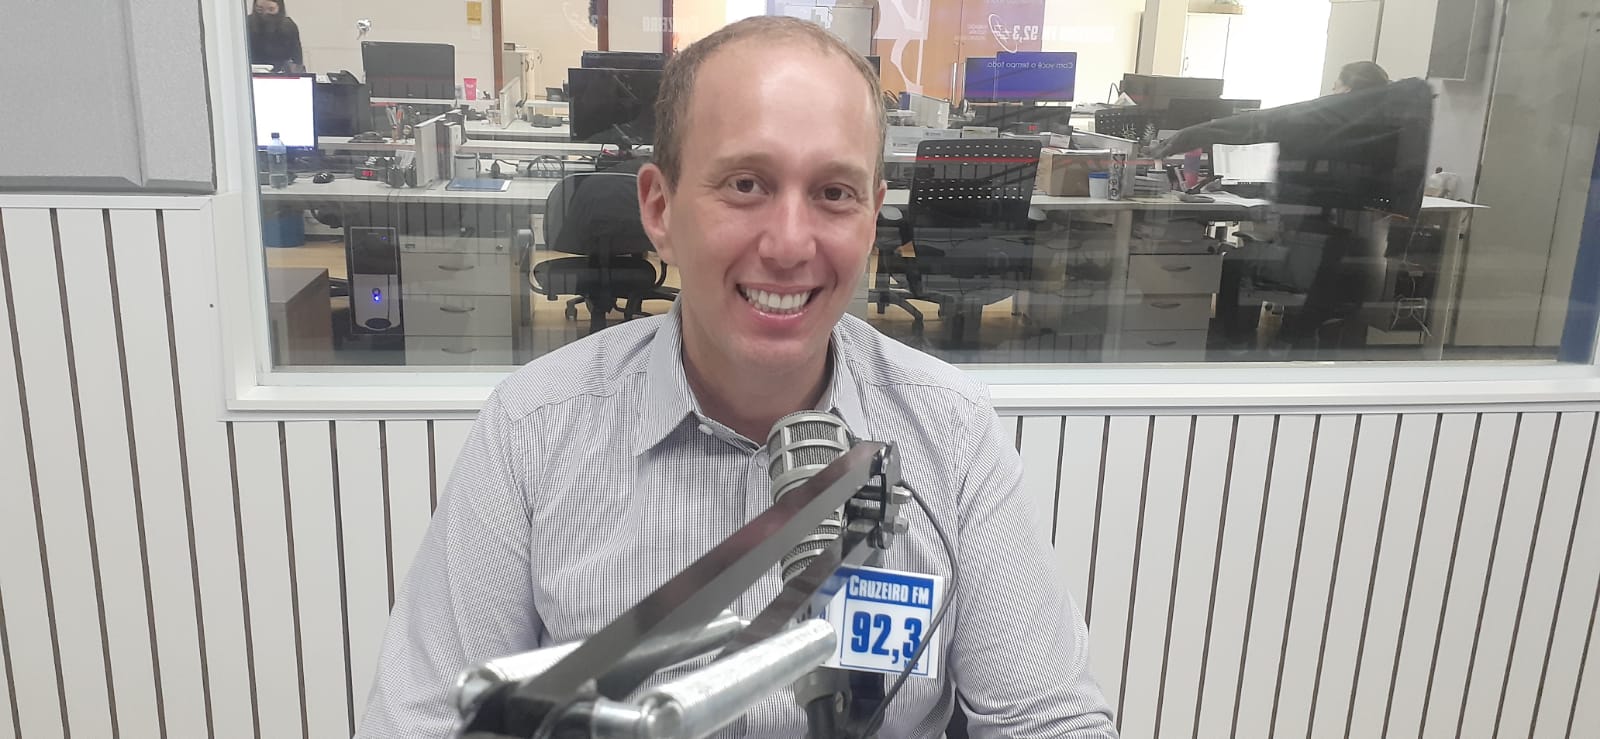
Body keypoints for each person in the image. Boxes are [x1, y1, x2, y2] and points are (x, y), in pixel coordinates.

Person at [357, 15, 1115, 739]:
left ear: (873, 217)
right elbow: (425, 723)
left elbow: (1051, 721)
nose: (789, 245)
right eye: (747, 184)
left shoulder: (952, 435)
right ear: (660, 207)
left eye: (834, 193)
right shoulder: (532, 432)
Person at [1150, 60, 1432, 355]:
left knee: (1233, 261)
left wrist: (1186, 137)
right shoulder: (1396, 130)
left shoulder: (1324, 118)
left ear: (1347, 90)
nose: (1331, 93)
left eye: (1335, 86)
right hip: (1360, 271)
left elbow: (1254, 125)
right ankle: (1293, 336)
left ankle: (1236, 347)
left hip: (1309, 265)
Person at [248, 0, 303, 73]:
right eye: (260, 9)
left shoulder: (289, 26)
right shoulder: (246, 24)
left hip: (282, 75)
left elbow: (297, 61)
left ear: (279, 8)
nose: (265, 13)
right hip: (251, 74)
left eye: (271, 9)